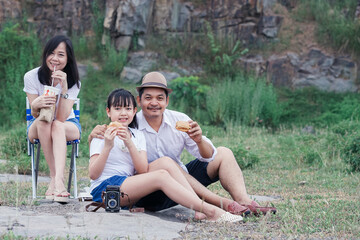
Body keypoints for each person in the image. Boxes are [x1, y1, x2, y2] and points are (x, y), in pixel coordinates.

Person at [89, 72, 276, 216]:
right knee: (165, 164)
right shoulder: (131, 122)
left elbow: (208, 155)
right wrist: (94, 135)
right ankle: (219, 205)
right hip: (150, 189)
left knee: (224, 153)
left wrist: (199, 139)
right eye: (148, 98)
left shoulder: (179, 120)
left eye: (160, 98)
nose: (154, 103)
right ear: (139, 101)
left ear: (167, 101)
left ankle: (244, 203)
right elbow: (110, 133)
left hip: (181, 181)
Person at [89, 88, 243, 223]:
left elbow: (142, 170)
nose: (123, 113)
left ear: (135, 111)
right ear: (108, 112)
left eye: (128, 108)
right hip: (106, 190)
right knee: (161, 176)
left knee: (166, 163)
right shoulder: (102, 134)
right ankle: (212, 211)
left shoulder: (137, 135)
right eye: (117, 108)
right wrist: (108, 146)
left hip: (129, 186)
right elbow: (93, 174)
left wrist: (129, 143)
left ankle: (200, 208)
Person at [24, 35, 81, 203]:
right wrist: (36, 105)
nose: (55, 58)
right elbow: (35, 114)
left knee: (56, 124)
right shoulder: (31, 76)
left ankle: (56, 182)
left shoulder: (74, 82)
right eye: (51, 53)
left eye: (61, 54)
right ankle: (56, 178)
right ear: (45, 55)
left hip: (66, 125)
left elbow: (62, 118)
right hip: (38, 123)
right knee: (44, 121)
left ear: (68, 58)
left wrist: (63, 88)